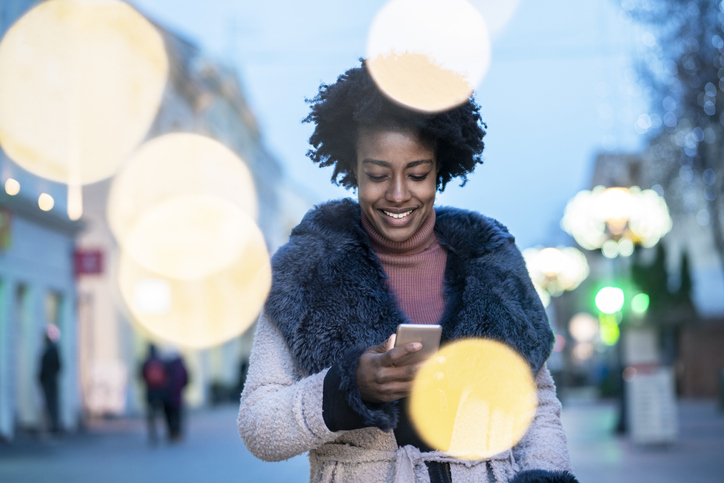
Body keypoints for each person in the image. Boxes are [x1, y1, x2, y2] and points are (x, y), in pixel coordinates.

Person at [238, 61, 577, 483]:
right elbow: (257, 426)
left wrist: (544, 476)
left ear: (440, 170)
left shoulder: (492, 264)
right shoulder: (305, 273)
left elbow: (538, 403)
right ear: (353, 170)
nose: (398, 195)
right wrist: (347, 389)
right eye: (377, 175)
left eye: (417, 174)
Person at [140, 343, 167, 444]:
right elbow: (166, 375)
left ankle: (153, 433)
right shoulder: (161, 361)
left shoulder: (146, 362)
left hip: (150, 392)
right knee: (161, 413)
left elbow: (141, 376)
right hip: (160, 392)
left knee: (151, 415)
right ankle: (163, 432)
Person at [163, 350, 188, 442]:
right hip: (178, 394)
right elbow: (186, 379)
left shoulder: (165, 364)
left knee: (168, 415)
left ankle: (171, 432)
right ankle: (177, 432)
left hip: (166, 395)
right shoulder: (181, 365)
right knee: (177, 414)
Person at [38, 333, 61, 434]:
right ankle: (52, 426)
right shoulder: (50, 350)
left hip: (49, 381)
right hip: (48, 381)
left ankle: (54, 427)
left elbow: (58, 366)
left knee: (51, 404)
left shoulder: (51, 350)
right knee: (50, 404)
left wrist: (48, 376)